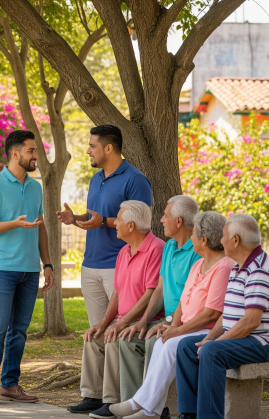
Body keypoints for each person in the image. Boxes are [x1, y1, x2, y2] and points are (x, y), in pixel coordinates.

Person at [58, 125, 153, 415]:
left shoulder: (135, 180)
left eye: (92, 146)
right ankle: (94, 396)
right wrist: (76, 218)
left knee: (115, 332)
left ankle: (116, 399)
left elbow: (139, 221)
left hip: (118, 266)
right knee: (97, 331)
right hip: (91, 264)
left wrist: (102, 222)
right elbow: (98, 217)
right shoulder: (95, 178)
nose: (88, 150)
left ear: (108, 148)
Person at [109, 211, 233, 419]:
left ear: (203, 240)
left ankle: (140, 403)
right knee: (162, 341)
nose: (191, 238)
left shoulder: (224, 266)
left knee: (171, 344)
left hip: (208, 330)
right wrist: (173, 327)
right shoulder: (199, 264)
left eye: (193, 234)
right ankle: (150, 411)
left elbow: (211, 314)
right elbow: (183, 302)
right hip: (189, 327)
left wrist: (178, 331)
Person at [176, 214, 269, 419]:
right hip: (245, 338)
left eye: (223, 236)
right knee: (186, 346)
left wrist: (215, 343)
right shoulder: (239, 266)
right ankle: (189, 414)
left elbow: (250, 321)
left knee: (212, 352)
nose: (220, 241)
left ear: (235, 240)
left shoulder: (259, 270)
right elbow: (228, 314)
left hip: (266, 343)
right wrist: (209, 337)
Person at [0, 130, 55, 406]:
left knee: (19, 330)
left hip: (30, 269)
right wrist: (14, 223)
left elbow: (40, 227)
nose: (36, 156)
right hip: (2, 268)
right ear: (15, 153)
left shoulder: (35, 187)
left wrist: (47, 264)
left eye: (36, 151)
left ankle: (10, 384)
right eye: (31, 151)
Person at [82, 201, 165, 419]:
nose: (114, 223)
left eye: (118, 219)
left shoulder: (156, 249)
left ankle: (113, 402)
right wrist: (103, 323)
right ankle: (93, 396)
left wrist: (123, 323)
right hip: (125, 319)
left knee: (114, 338)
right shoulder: (123, 252)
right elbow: (117, 293)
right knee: (94, 336)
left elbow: (151, 293)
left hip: (148, 320)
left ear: (131, 226)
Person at [119, 196, 201, 377]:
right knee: (128, 338)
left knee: (153, 340)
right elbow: (160, 289)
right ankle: (136, 395)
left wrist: (168, 322)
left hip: (186, 322)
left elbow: (191, 300)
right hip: (168, 319)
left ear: (178, 221)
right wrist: (143, 321)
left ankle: (154, 395)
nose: (161, 220)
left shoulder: (198, 251)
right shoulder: (169, 246)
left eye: (165, 216)